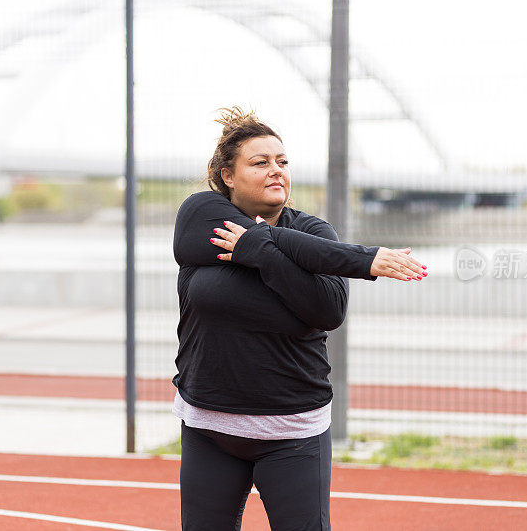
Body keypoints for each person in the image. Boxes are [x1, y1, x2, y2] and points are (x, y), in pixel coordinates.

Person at [171, 106, 427, 530]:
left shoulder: (316, 233)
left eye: (282, 162)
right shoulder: (201, 216)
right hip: (209, 426)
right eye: (260, 162)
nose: (276, 171)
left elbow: (327, 310)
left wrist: (257, 247)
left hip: (291, 431)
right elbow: (301, 296)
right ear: (227, 176)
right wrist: (362, 259)